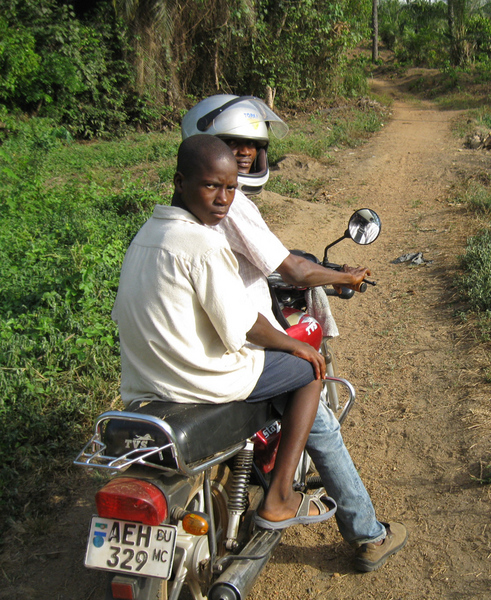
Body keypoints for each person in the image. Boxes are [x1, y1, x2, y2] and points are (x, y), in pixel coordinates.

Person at [181, 95, 407, 572]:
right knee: (313, 389)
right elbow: (293, 270)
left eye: (251, 144)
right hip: (240, 342)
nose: (244, 154)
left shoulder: (182, 211)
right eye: (232, 143)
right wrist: (344, 277)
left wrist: (317, 266)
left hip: (194, 341)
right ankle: (362, 531)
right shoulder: (234, 203)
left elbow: (261, 259)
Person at [112, 134, 337, 530]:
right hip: (199, 380)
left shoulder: (146, 235)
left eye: (231, 187)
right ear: (180, 182)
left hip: (145, 381)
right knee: (308, 371)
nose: (223, 199)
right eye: (211, 185)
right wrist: (294, 345)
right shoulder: (202, 243)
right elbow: (245, 324)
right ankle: (281, 496)